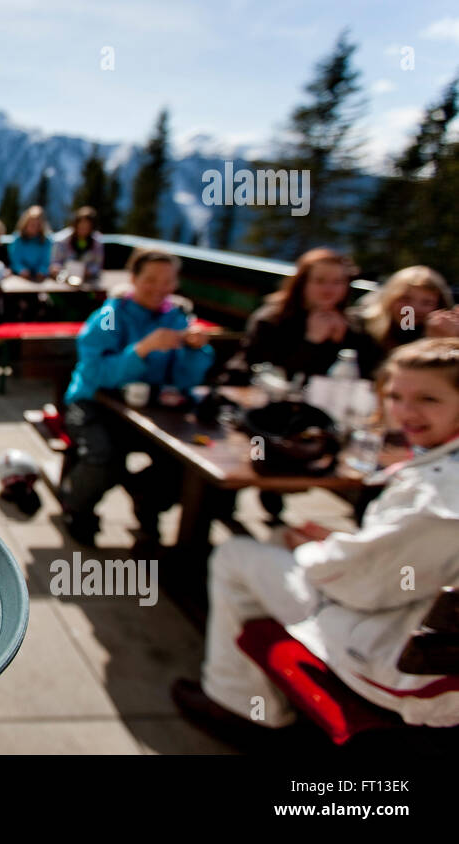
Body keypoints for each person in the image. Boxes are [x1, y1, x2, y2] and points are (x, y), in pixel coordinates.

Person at [173, 337, 459, 741]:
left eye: (428, 399)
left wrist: (312, 549)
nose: (406, 412)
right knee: (273, 542)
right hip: (407, 626)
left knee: (236, 555)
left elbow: (358, 586)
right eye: (396, 395)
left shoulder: (440, 498)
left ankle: (241, 709)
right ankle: (257, 687)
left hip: (402, 667)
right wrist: (343, 543)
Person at [59, 248, 214, 546]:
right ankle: (77, 509)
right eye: (151, 279)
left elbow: (187, 380)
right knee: (105, 456)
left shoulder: (177, 319)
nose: (159, 288)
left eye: (167, 281)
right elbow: (95, 373)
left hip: (152, 412)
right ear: (133, 278)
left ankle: (147, 502)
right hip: (92, 403)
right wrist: (142, 350)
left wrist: (195, 352)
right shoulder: (108, 316)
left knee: (183, 463)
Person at [238, 247, 378, 380]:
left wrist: (340, 343)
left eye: (338, 282)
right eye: (320, 281)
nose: (329, 289)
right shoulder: (272, 319)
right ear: (302, 283)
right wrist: (311, 342)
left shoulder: (352, 325)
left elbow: (366, 374)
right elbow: (261, 372)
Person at [351, 265, 455, 359]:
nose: (414, 308)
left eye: (427, 303)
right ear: (389, 298)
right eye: (405, 299)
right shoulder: (359, 325)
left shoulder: (445, 333)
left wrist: (443, 342)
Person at [51, 205, 104, 283]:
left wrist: (88, 271)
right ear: (75, 224)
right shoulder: (62, 240)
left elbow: (98, 265)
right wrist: (59, 271)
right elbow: (55, 262)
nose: (83, 229)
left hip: (88, 282)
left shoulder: (97, 242)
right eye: (81, 225)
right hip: (63, 281)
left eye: (87, 226)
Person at [8, 205, 52, 281]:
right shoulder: (18, 239)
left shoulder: (46, 240)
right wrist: (21, 270)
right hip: (19, 276)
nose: (34, 228)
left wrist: (42, 271)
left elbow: (46, 261)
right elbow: (15, 260)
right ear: (25, 224)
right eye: (32, 225)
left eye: (38, 225)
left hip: (39, 277)